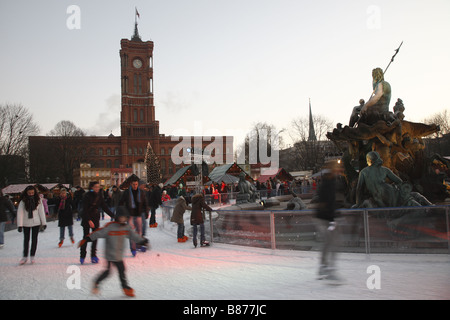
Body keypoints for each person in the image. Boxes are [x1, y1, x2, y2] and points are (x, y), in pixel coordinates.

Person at [78, 206, 149, 297]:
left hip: (119, 254)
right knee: (109, 272)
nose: (123, 219)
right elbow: (98, 233)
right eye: (121, 217)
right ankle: (99, 283)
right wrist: (87, 238)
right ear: (117, 217)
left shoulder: (126, 228)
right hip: (110, 254)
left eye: (124, 217)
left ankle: (124, 287)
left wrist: (143, 241)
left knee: (120, 271)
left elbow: (133, 236)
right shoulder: (110, 227)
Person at [315, 165, 341, 282]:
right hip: (324, 219)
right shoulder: (326, 186)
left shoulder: (329, 185)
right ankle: (327, 268)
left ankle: (325, 267)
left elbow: (330, 203)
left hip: (326, 218)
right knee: (332, 243)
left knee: (330, 242)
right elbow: (325, 204)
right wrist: (332, 219)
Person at [80, 181, 115, 265]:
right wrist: (89, 220)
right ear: (92, 187)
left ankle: (93, 255)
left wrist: (113, 215)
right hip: (87, 218)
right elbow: (84, 210)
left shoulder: (99, 196)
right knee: (86, 237)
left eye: (98, 187)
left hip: (95, 218)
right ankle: (82, 255)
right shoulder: (87, 196)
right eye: (96, 187)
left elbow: (104, 207)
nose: (97, 188)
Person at [119, 176, 149, 256]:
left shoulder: (141, 192)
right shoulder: (126, 193)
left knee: (140, 231)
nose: (135, 186)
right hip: (130, 215)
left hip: (138, 214)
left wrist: (146, 211)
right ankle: (133, 248)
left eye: (136, 184)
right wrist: (123, 213)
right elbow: (121, 203)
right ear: (131, 184)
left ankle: (138, 245)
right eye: (133, 184)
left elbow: (145, 202)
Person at [16, 185, 47, 265]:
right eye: (29, 193)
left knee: (34, 240)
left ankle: (32, 255)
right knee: (26, 240)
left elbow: (41, 212)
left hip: (35, 222)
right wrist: (20, 225)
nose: (31, 194)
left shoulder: (38, 200)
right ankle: (25, 256)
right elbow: (20, 213)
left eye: (32, 193)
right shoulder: (23, 201)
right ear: (26, 193)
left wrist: (44, 223)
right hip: (26, 223)